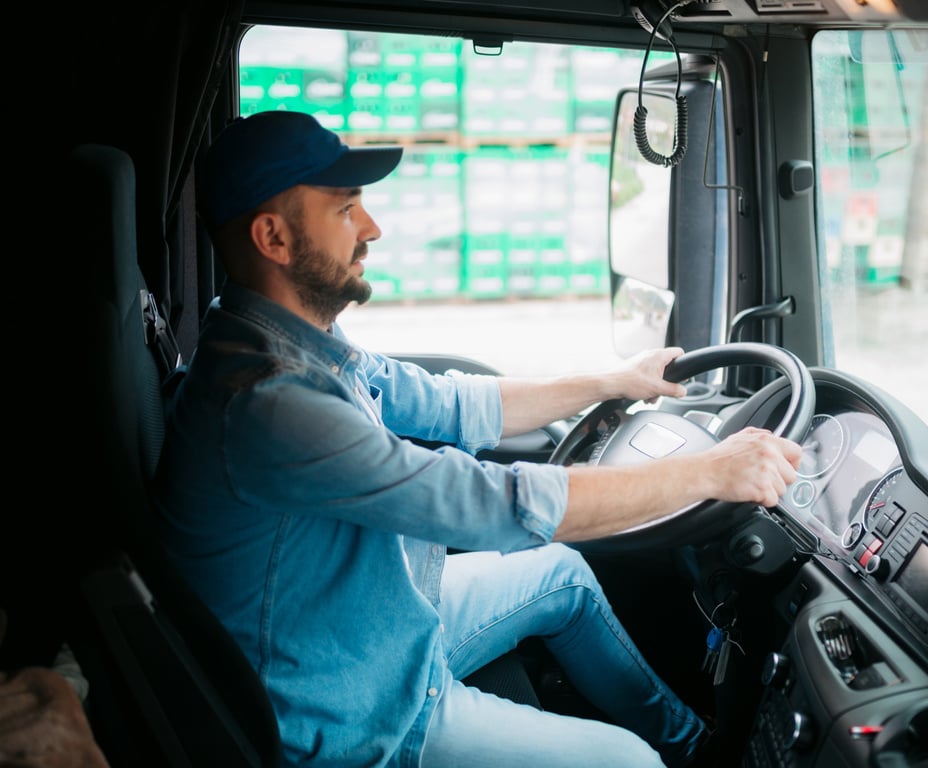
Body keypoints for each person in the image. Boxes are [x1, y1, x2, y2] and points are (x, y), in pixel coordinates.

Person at [155, 109, 802, 768]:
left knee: (562, 577)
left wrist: (615, 380)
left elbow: (449, 401)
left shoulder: (288, 344)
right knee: (630, 763)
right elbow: (497, 505)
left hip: (366, 625)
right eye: (347, 209)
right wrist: (711, 472)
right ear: (274, 238)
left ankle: (699, 750)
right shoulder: (270, 403)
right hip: (345, 705)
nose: (371, 228)